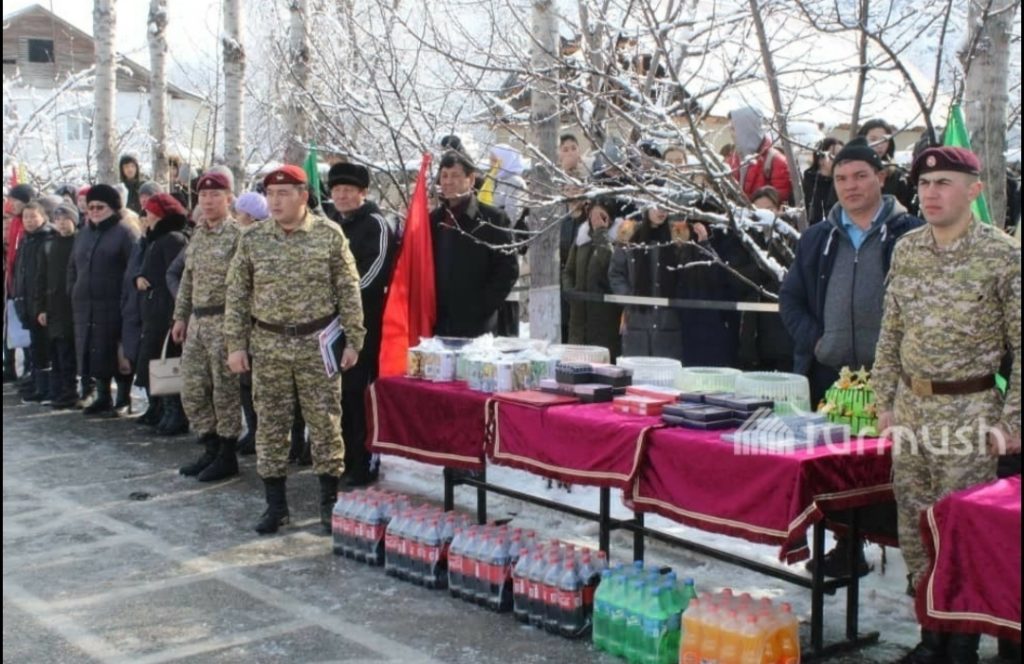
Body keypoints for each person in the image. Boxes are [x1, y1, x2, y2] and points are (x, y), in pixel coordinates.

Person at [870, 147, 1021, 664]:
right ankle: (930, 635)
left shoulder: (1002, 256)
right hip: (911, 410)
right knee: (915, 528)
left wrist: (1012, 421)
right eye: (925, 184)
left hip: (970, 411)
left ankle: (961, 644)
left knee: (960, 532)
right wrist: (884, 398)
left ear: (974, 190)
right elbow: (891, 330)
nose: (931, 194)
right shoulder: (908, 249)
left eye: (944, 183)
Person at [780, 137, 923, 575]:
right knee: (835, 468)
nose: (850, 185)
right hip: (832, 376)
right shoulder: (817, 238)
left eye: (861, 175)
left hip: (894, 380)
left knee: (898, 467)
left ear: (881, 177)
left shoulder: (912, 233)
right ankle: (846, 545)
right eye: (841, 178)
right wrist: (818, 342)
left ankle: (916, 559)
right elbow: (790, 299)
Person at [224, 164, 366, 535]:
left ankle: (329, 502)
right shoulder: (253, 239)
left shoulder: (328, 235)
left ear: (303, 196)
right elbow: (237, 295)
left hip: (316, 344)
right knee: (270, 424)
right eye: (270, 194)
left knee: (325, 424)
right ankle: (276, 506)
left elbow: (348, 290)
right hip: (268, 344)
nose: (275, 201)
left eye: (284, 194)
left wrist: (354, 340)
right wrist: (236, 345)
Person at [326, 162, 396, 488]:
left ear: (362, 193)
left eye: (348, 190)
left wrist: (341, 300)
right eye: (337, 190)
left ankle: (364, 459)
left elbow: (374, 274)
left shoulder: (376, 224)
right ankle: (342, 456)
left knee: (358, 392)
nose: (341, 196)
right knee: (337, 393)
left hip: (365, 323)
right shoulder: (330, 223)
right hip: (331, 324)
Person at [172, 172, 243, 481]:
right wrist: (180, 316)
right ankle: (210, 447)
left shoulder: (238, 236)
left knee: (225, 392)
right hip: (198, 323)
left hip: (225, 322)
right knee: (193, 389)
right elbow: (188, 279)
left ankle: (227, 455)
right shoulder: (198, 234)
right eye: (203, 196)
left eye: (215, 195)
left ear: (229, 198)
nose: (208, 201)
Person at [431, 151, 519, 338]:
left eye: (455, 175)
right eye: (444, 176)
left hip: (478, 328)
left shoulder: (493, 219)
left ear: (470, 179)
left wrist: (481, 307)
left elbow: (508, 270)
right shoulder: (433, 220)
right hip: (438, 324)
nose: (448, 181)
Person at [69, 185, 140, 416]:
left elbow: (133, 268)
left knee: (117, 352)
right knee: (94, 351)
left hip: (115, 303)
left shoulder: (125, 233)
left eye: (100, 207)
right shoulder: (84, 233)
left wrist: (128, 299)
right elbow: (72, 266)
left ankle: (123, 398)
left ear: (113, 208)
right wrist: (73, 290)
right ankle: (103, 396)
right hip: (86, 305)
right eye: (91, 207)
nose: (94, 211)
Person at [135, 193, 189, 433]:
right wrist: (140, 278)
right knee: (154, 359)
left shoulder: (173, 239)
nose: (145, 216)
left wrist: (176, 312)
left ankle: (175, 413)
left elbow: (176, 276)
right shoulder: (155, 239)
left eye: (149, 212)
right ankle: (160, 409)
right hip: (154, 309)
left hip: (167, 309)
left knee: (168, 361)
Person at [608, 203, 683, 359]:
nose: (661, 211)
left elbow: (684, 276)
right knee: (637, 368)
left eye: (665, 206)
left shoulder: (677, 239)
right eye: (656, 206)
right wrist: (629, 298)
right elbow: (616, 273)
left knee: (665, 370)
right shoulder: (630, 237)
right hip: (637, 321)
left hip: (668, 323)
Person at [562, 198, 625, 359]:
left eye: (601, 216)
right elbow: (568, 271)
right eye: (593, 215)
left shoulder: (619, 239)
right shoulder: (581, 238)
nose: (596, 220)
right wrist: (571, 293)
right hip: (578, 318)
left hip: (604, 319)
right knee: (576, 364)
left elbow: (610, 265)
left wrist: (601, 233)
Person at [34, 203, 78, 408]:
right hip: (53, 306)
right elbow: (41, 278)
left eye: (65, 219)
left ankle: (71, 391)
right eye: (58, 219)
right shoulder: (49, 245)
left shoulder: (79, 242)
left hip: (72, 305)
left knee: (69, 351)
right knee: (56, 351)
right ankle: (59, 390)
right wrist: (40, 307)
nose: (61, 224)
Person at [12, 201, 55, 402]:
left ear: (43, 217)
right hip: (27, 301)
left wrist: (43, 305)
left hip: (42, 302)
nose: (29, 221)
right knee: (35, 346)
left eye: (33, 216)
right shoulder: (25, 240)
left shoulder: (47, 239)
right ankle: (38, 384)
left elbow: (46, 276)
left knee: (44, 348)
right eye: (26, 217)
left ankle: (47, 387)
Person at [726, 106, 792, 203]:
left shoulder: (776, 161)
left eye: (733, 128)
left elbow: (778, 203)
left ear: (746, 128)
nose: (731, 133)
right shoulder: (734, 158)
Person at [857, 118, 916, 213]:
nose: (879, 145)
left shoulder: (897, 176)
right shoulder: (849, 171)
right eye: (873, 139)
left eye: (884, 140)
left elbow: (906, 210)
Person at [802, 137, 843, 225]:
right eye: (834, 155)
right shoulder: (807, 184)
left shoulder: (842, 184)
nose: (840, 161)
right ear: (820, 159)